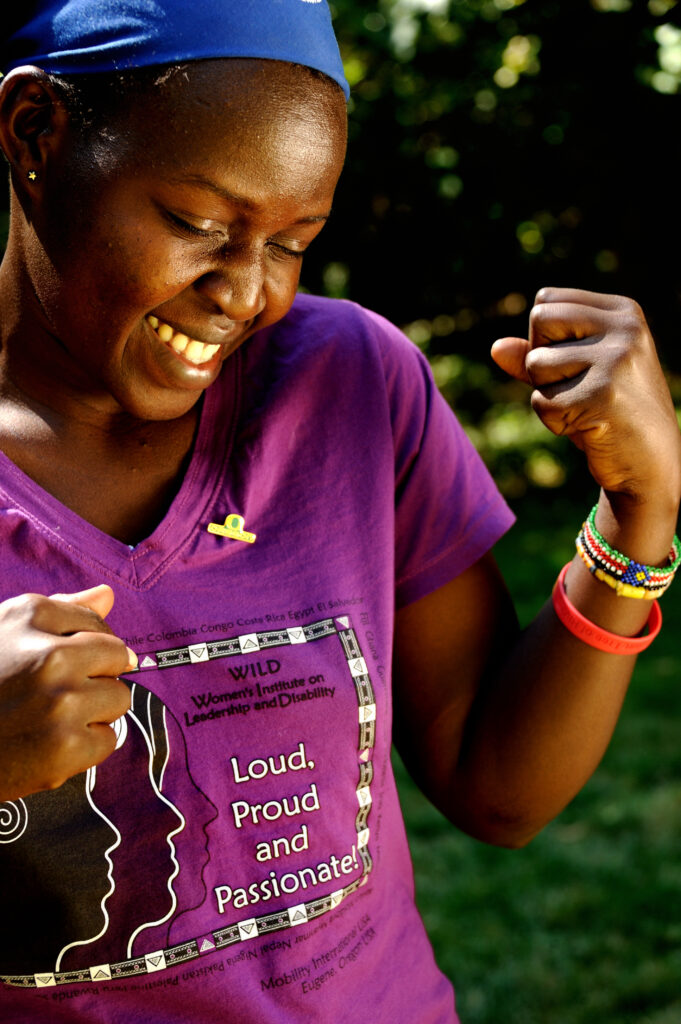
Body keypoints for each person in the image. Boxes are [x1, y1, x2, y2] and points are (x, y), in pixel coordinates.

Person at [0, 2, 678, 1021]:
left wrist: (640, 512)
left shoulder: (349, 384)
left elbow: (498, 786)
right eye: (199, 223)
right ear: (35, 133)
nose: (247, 292)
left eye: (293, 241)